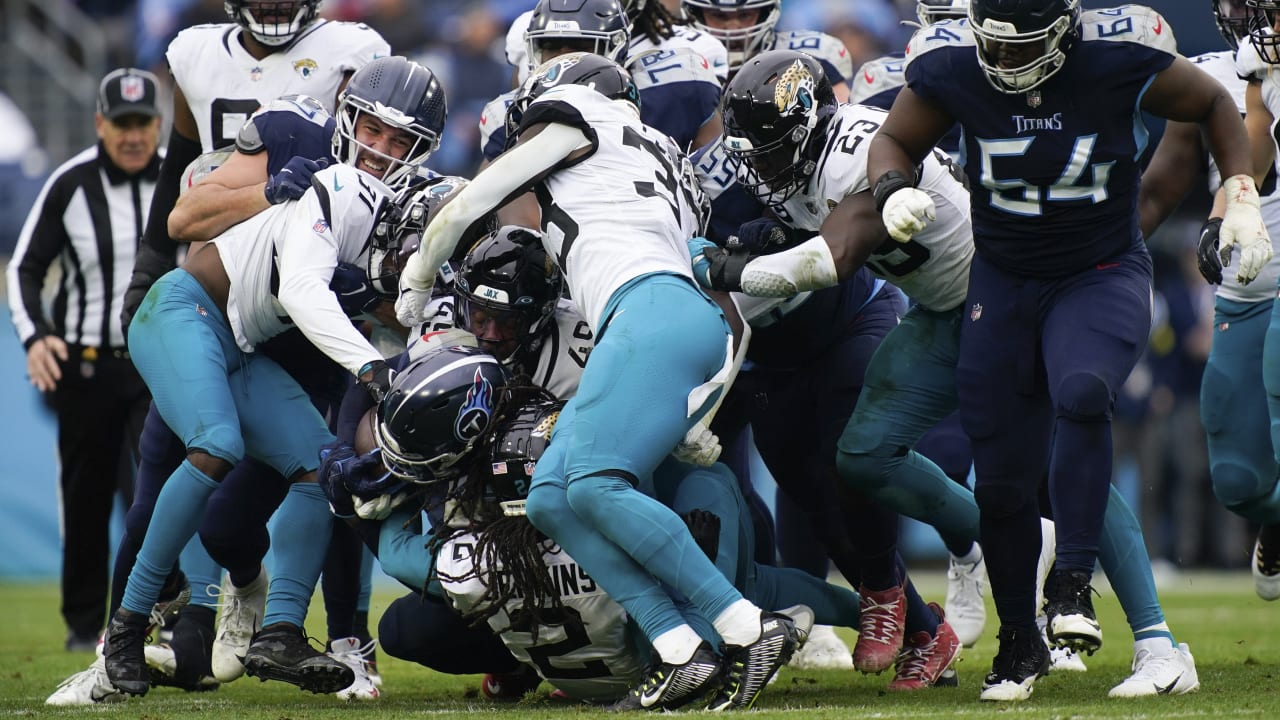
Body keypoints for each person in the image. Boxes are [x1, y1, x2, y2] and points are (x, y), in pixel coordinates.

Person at [691, 47, 1202, 700]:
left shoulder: (851, 152)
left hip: (1016, 296)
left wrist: (717, 269)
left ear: (806, 126)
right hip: (943, 311)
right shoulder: (798, 169)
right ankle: (994, 541)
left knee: (1063, 459)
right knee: (865, 453)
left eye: (767, 149)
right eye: (750, 152)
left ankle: (1158, 642)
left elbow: (828, 261)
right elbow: (769, 292)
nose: (758, 168)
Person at [864, 0, 1261, 700]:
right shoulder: (954, 61)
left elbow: (1211, 104)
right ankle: (1019, 642)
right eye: (995, 45)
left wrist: (1241, 190)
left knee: (1082, 390)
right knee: (1001, 478)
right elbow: (893, 141)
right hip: (1005, 280)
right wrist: (892, 187)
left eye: (1021, 47)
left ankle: (1072, 582)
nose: (1005, 60)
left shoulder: (1117, 54)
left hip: (1098, 272)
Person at [397, 53, 799, 711]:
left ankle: (747, 627)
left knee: (593, 482)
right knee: (553, 496)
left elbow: (476, 199)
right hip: (667, 318)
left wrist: (419, 275)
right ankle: (679, 649)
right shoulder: (662, 156)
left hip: (647, 311)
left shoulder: (583, 115)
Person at [102, 55, 444, 699]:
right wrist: (373, 366)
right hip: (183, 310)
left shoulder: (394, 204)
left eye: (401, 143)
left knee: (324, 468)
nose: (382, 151)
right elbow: (306, 291)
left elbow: (393, 304)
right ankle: (124, 629)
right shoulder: (337, 182)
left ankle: (281, 631)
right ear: (348, 120)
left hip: (243, 343)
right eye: (373, 131)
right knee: (215, 446)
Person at [7, 68, 163, 655]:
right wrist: (35, 338)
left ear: (156, 124)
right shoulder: (69, 183)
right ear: (100, 124)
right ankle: (81, 627)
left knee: (155, 496)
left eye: (141, 123)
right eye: (120, 124)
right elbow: (24, 268)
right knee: (86, 497)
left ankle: (162, 618)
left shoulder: (180, 178)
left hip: (156, 368)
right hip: (85, 368)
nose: (131, 135)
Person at [1196, 0, 1280, 599]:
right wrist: (1222, 214)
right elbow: (1254, 150)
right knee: (1238, 481)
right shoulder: (1255, 64)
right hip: (1249, 285)